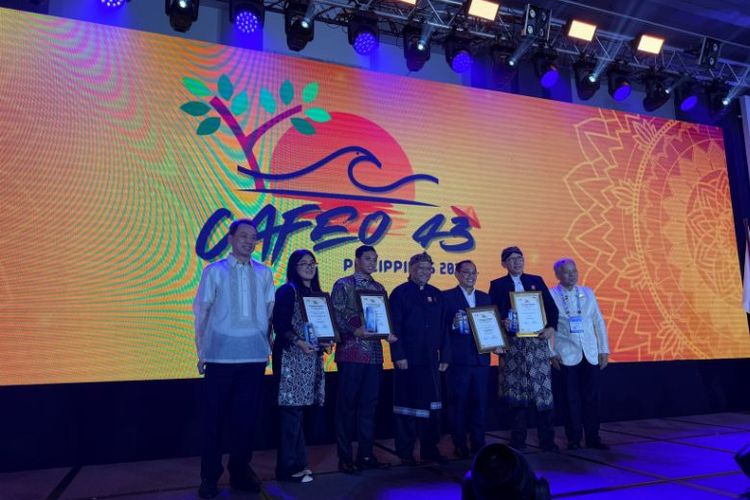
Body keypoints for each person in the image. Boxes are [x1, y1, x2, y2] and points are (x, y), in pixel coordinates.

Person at [193, 219, 275, 499]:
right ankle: (209, 477)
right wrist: (201, 352)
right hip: (220, 357)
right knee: (213, 421)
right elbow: (202, 312)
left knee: (245, 421)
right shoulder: (214, 271)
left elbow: (269, 312)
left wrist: (265, 347)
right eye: (243, 236)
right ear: (230, 238)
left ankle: (239, 472)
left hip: (253, 356)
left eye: (253, 237)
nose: (249, 241)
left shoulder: (264, 273)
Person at [488, 246, 559, 452]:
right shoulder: (498, 285)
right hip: (513, 347)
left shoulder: (536, 280)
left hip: (537, 345)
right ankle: (518, 440)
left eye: (520, 258)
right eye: (511, 259)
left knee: (543, 393)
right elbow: (493, 314)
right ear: (504, 264)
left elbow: (551, 309)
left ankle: (547, 440)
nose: (517, 262)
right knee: (516, 395)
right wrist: (502, 322)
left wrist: (551, 328)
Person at [331, 245, 395, 473]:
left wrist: (388, 332)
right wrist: (354, 330)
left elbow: (382, 319)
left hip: (375, 355)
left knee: (369, 407)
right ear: (357, 260)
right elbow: (335, 315)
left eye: (375, 259)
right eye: (368, 259)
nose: (372, 263)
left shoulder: (378, 288)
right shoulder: (344, 284)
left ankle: (366, 455)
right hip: (351, 352)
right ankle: (345, 457)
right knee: (346, 407)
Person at [271, 249, 331, 483]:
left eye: (312, 263)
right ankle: (287, 469)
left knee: (298, 414)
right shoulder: (288, 291)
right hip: (291, 359)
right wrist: (298, 342)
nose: (309, 267)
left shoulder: (315, 294)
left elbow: (318, 328)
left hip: (309, 359)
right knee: (291, 413)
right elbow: (280, 324)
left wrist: (325, 341)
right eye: (303, 263)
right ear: (293, 267)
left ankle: (299, 464)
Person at [389, 252, 450, 465]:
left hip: (431, 361)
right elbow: (394, 327)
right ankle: (405, 453)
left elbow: (444, 327)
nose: (424, 272)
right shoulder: (400, 293)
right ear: (410, 269)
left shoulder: (437, 294)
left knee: (432, 408)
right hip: (408, 360)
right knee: (407, 407)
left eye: (428, 268)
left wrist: (446, 355)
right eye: (420, 268)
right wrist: (399, 355)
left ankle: (429, 450)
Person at [549, 258, 610, 450]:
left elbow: (598, 321)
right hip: (566, 354)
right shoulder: (551, 295)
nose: (572, 275)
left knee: (592, 398)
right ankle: (574, 438)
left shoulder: (588, 292)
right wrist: (550, 353)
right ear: (557, 275)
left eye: (574, 271)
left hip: (590, 353)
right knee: (570, 399)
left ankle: (593, 436)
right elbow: (545, 326)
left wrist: (603, 350)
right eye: (567, 272)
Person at [442, 260, 496, 458]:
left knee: (480, 403)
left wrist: (497, 341)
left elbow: (491, 326)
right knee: (458, 404)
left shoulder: (485, 297)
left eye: (474, 273)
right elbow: (440, 328)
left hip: (481, 360)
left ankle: (478, 442)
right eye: (466, 272)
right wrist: (453, 324)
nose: (470, 276)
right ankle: (459, 444)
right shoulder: (446, 297)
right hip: (458, 360)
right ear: (457, 274)